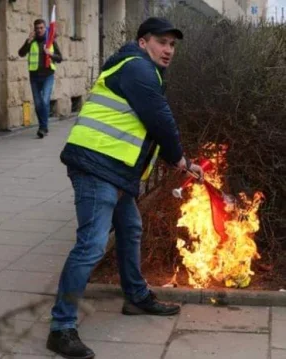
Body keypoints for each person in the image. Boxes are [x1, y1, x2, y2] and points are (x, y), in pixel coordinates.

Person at [46, 17, 205, 359]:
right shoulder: (137, 68)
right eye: (162, 42)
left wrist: (183, 163)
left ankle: (135, 296)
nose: (168, 50)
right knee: (90, 246)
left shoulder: (142, 71)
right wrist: (178, 156)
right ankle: (61, 328)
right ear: (144, 41)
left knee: (130, 228)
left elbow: (145, 129)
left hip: (114, 171)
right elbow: (160, 119)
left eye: (173, 45)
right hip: (95, 167)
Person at [18, 19, 63, 138]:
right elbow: (21, 53)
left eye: (41, 28)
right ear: (34, 29)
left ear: (45, 28)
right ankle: (43, 126)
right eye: (37, 28)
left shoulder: (50, 41)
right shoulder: (31, 41)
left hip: (48, 75)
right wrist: (28, 41)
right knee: (38, 104)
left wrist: (51, 54)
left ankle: (43, 127)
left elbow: (60, 58)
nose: (39, 30)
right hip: (34, 77)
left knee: (44, 100)